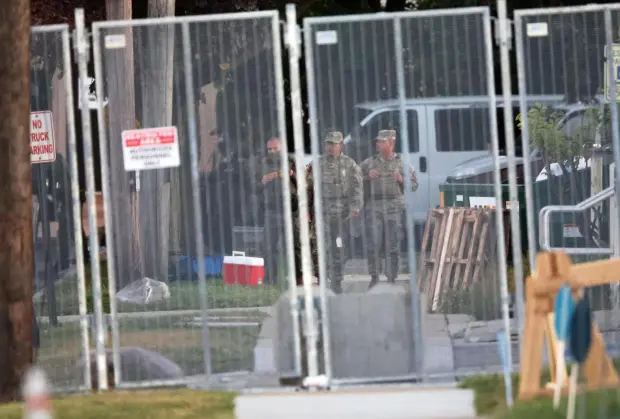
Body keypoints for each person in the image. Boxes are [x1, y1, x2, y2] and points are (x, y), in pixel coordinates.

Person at [360, 129, 418, 290]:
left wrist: (401, 179)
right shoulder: (369, 163)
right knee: (374, 243)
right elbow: (354, 179)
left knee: (393, 245)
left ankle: (392, 278)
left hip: (394, 207)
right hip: (375, 207)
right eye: (377, 141)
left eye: (381, 141)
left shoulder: (401, 164)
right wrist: (366, 177)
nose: (377, 144)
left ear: (390, 143)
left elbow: (414, 186)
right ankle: (374, 277)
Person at [315, 131, 363, 293]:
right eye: (328, 144)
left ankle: (336, 281)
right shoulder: (318, 164)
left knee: (339, 249)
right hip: (322, 213)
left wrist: (355, 208)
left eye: (333, 144)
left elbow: (357, 189)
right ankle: (322, 280)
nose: (330, 148)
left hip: (342, 215)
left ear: (340, 146)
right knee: (322, 247)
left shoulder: (350, 165)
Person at [256, 137, 296, 284]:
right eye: (269, 149)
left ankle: (294, 279)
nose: (272, 152)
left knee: (293, 246)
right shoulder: (262, 164)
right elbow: (254, 187)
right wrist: (263, 181)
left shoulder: (292, 162)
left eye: (275, 149)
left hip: (290, 211)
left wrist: (292, 174)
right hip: (271, 211)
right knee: (268, 247)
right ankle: (270, 280)